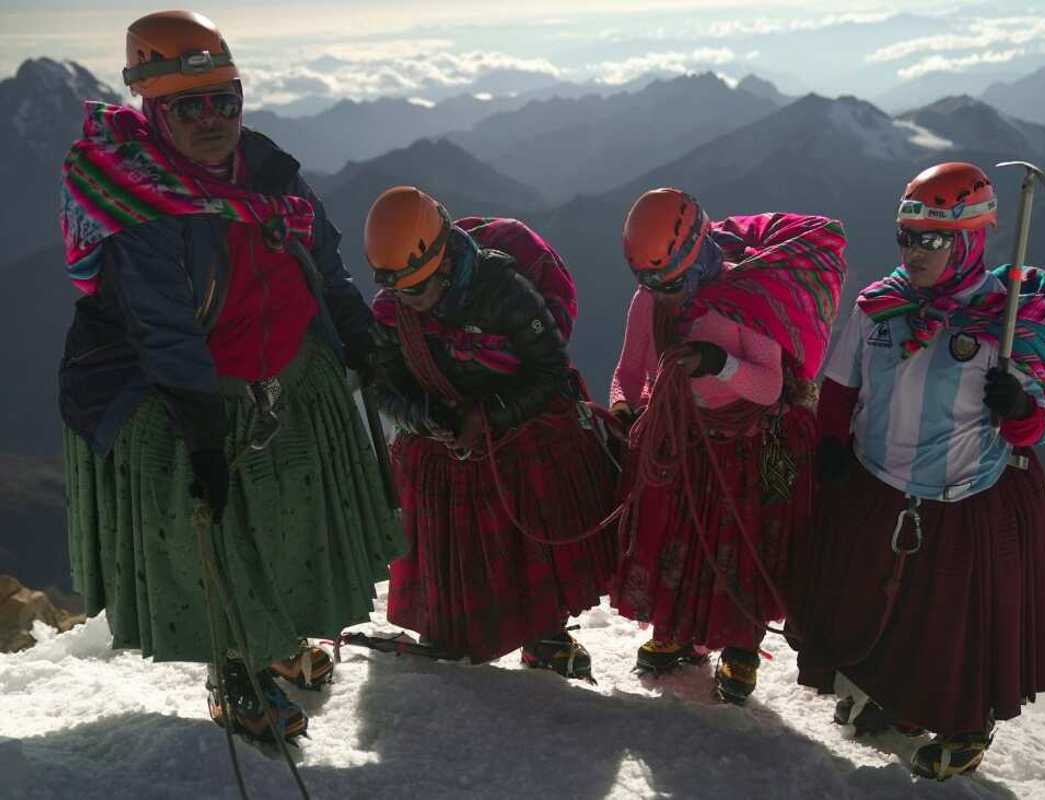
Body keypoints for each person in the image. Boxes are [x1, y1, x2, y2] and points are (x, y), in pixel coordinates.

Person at [58, 10, 403, 741]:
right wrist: (205, 442)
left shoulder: (268, 170)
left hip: (273, 371)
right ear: (152, 111)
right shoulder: (140, 206)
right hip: (178, 394)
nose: (213, 120)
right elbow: (164, 329)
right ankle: (235, 673)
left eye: (226, 101)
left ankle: (274, 650)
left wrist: (360, 336)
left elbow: (323, 259)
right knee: (219, 534)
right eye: (190, 106)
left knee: (283, 524)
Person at [795, 162, 1045, 779]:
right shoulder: (879, 308)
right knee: (889, 609)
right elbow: (841, 389)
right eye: (906, 235)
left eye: (932, 239)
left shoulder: (1004, 325)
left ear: (972, 239)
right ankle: (898, 704)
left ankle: (962, 725)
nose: (914, 250)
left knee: (953, 623)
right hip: (877, 485)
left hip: (961, 496)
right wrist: (829, 443)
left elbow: (1034, 428)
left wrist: (1019, 408)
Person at [360, 186, 618, 677]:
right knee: (458, 542)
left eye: (416, 288)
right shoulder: (394, 312)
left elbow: (550, 372)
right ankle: (450, 623)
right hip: (447, 430)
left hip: (515, 429)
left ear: (442, 260)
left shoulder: (502, 287)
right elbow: (383, 384)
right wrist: (426, 417)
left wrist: (490, 414)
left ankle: (543, 631)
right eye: (400, 290)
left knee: (526, 540)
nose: (411, 302)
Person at [609, 188, 847, 704]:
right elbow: (629, 369)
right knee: (685, 537)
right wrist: (626, 407)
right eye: (648, 280)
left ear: (693, 256)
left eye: (666, 280)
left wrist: (718, 364)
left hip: (745, 445)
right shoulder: (649, 297)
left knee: (738, 546)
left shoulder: (746, 299)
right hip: (682, 438)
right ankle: (680, 630)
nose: (659, 291)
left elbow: (771, 386)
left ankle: (739, 645)